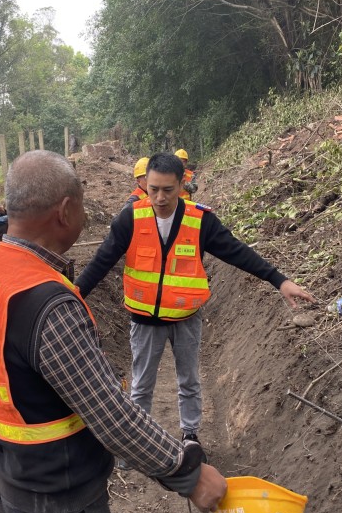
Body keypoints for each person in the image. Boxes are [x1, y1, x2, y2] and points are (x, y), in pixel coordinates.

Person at [0, 150, 227, 513]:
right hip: (61, 500)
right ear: (66, 210)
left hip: (14, 478)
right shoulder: (48, 303)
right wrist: (189, 473)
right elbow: (108, 412)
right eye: (83, 205)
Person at [75, 152, 317, 446]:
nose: (160, 197)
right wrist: (74, 297)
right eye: (153, 189)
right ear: (144, 185)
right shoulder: (131, 218)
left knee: (188, 381)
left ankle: (190, 435)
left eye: (168, 190)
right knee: (141, 385)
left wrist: (279, 280)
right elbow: (101, 261)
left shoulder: (200, 220)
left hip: (186, 318)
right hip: (145, 320)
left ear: (181, 185)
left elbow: (236, 251)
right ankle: (138, 441)